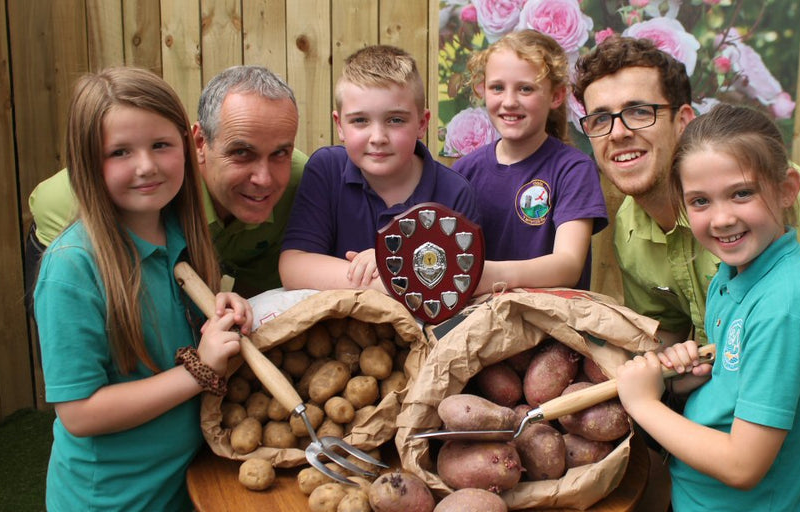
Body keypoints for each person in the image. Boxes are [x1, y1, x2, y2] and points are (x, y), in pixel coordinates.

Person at [573, 36, 800, 511]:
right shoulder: (630, 228)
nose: (619, 132)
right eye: (600, 119)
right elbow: (671, 334)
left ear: (684, 120)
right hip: (748, 354)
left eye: (638, 111)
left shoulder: (768, 203)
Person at [33, 67, 251, 510]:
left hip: (186, 485)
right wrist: (197, 370)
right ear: (86, 162)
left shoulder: (179, 233)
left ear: (188, 148)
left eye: (161, 145)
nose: (146, 166)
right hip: (114, 501)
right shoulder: (72, 268)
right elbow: (79, 412)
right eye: (119, 152)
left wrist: (220, 310)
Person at [616, 103, 800, 511]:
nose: (722, 218)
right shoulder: (737, 276)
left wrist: (642, 404)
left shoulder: (785, 307)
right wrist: (694, 381)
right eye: (700, 201)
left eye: (742, 193)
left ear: (787, 189)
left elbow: (743, 465)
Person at [27, 65, 307, 297]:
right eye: (242, 153)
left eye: (280, 152)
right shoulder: (143, 185)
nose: (263, 178)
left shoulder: (297, 182)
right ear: (199, 143)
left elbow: (258, 300)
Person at [279, 45, 479, 291]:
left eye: (395, 120)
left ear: (422, 124)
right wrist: (393, 275)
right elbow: (294, 268)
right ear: (339, 125)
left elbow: (460, 280)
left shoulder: (454, 192)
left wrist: (390, 265)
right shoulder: (326, 170)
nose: (377, 137)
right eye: (360, 121)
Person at [452, 30, 608, 292]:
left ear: (556, 96)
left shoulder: (573, 169)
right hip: (476, 321)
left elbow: (568, 266)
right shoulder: (464, 171)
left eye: (526, 88)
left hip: (550, 325)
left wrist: (482, 274)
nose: (509, 102)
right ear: (482, 90)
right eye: (497, 88)